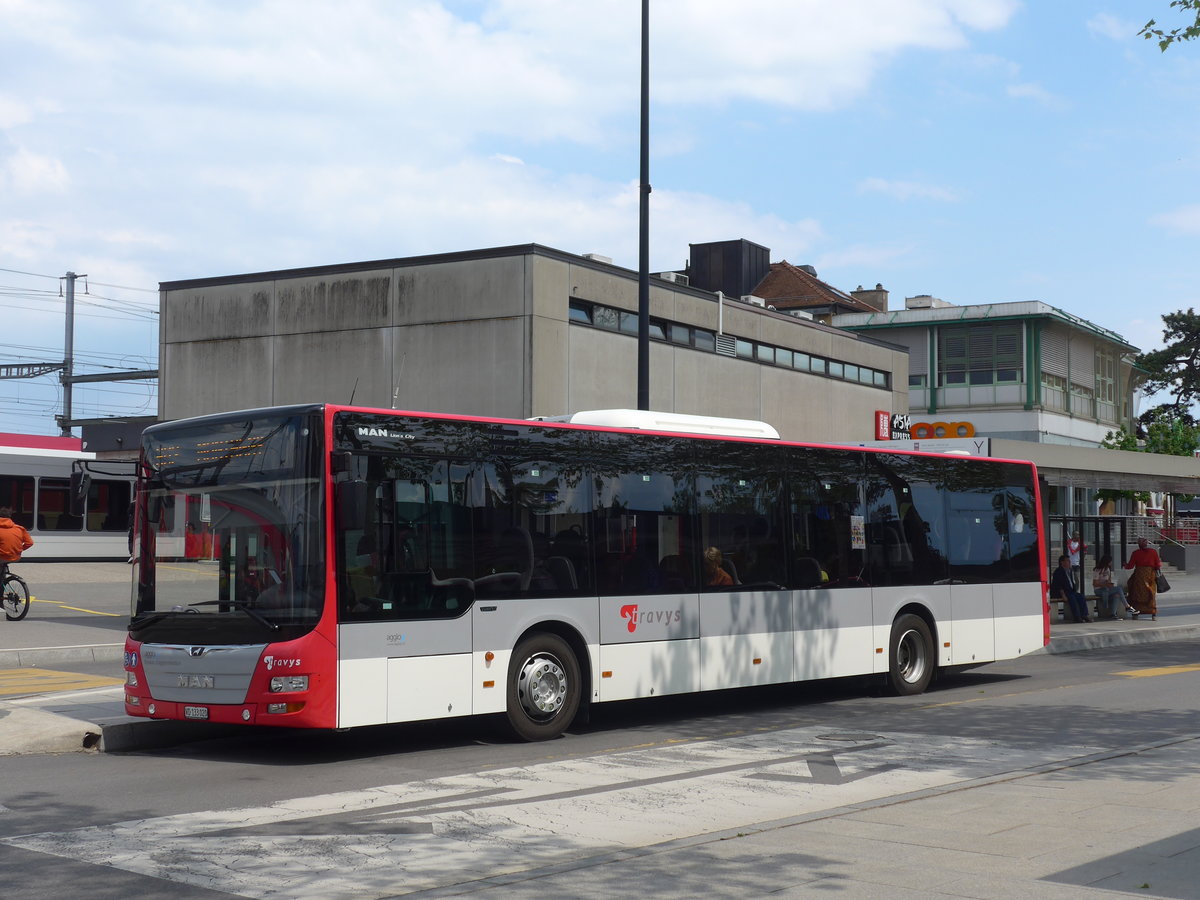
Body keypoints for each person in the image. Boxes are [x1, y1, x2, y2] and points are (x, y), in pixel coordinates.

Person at [1123, 537, 1162, 620]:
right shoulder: (1153, 552)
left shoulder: (1136, 553)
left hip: (1139, 576)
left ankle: (1136, 613)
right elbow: (1158, 564)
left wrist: (1124, 565)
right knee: (1151, 593)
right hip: (1151, 575)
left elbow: (1130, 566)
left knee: (1136, 593)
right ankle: (1153, 613)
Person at [1050, 554, 1091, 623]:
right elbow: (1058, 585)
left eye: (1069, 561)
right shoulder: (1058, 571)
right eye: (1067, 561)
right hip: (1062, 592)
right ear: (1062, 562)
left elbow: (1073, 581)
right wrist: (1063, 595)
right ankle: (1077, 617)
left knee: (1081, 596)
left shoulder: (1070, 570)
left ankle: (1084, 615)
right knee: (1072, 598)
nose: (1069, 562)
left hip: (1070, 591)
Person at [1092, 554, 1132, 620]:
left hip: (1107, 589)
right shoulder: (1097, 570)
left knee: (1116, 595)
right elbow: (1095, 583)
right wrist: (1104, 584)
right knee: (1119, 589)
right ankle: (1127, 606)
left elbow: (1108, 581)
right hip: (1099, 590)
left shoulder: (1108, 569)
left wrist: (1109, 584)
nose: (1111, 563)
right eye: (1110, 561)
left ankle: (1113, 614)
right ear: (1107, 561)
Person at [0, 506, 34, 575]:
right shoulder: (20, 528)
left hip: (2, 557)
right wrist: (19, 549)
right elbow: (30, 543)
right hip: (16, 557)